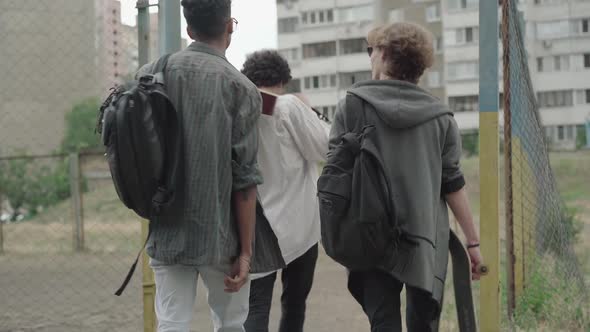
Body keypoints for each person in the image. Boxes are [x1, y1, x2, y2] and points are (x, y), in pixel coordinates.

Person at [138, 1, 283, 331]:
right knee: (231, 323)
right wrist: (246, 254)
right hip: (222, 233)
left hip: (166, 227)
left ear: (189, 30)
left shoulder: (150, 74)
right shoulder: (242, 88)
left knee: (172, 322)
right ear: (229, 26)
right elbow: (245, 178)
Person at [329, 23, 484, 331]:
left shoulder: (351, 106)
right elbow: (452, 184)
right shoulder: (441, 119)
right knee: (423, 322)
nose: (370, 57)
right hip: (424, 238)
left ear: (384, 55)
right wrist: (472, 242)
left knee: (383, 320)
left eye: (371, 51)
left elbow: (335, 172)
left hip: (369, 232)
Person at [240, 50, 330, 332]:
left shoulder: (240, 108)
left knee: (255, 306)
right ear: (283, 79)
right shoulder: (289, 105)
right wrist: (312, 111)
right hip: (300, 224)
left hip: (255, 225)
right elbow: (324, 147)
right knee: (294, 303)